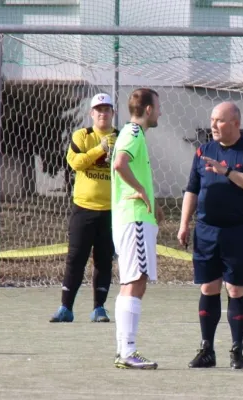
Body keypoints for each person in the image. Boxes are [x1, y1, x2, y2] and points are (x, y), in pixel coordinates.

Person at [178, 101, 243, 370]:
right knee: (208, 287)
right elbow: (191, 189)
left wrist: (226, 171)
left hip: (238, 232)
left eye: (220, 120)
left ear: (236, 124)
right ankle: (207, 349)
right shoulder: (203, 150)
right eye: (212, 120)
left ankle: (237, 351)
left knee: (236, 289)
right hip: (205, 231)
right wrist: (184, 224)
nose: (213, 125)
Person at [50, 93, 118, 323]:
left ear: (113, 113)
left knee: (104, 260)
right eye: (98, 109)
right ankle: (65, 308)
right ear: (91, 114)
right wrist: (100, 149)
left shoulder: (121, 137)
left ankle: (99, 308)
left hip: (110, 211)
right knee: (76, 258)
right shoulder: (82, 135)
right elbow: (76, 163)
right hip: (83, 208)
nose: (103, 113)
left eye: (107, 109)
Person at [112, 88, 163, 369]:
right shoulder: (132, 133)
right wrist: (142, 190)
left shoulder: (132, 134)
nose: (160, 112)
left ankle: (123, 349)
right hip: (134, 219)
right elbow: (120, 164)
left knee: (130, 283)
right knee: (136, 282)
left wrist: (151, 199)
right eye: (157, 107)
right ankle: (128, 352)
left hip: (131, 218)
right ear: (147, 110)